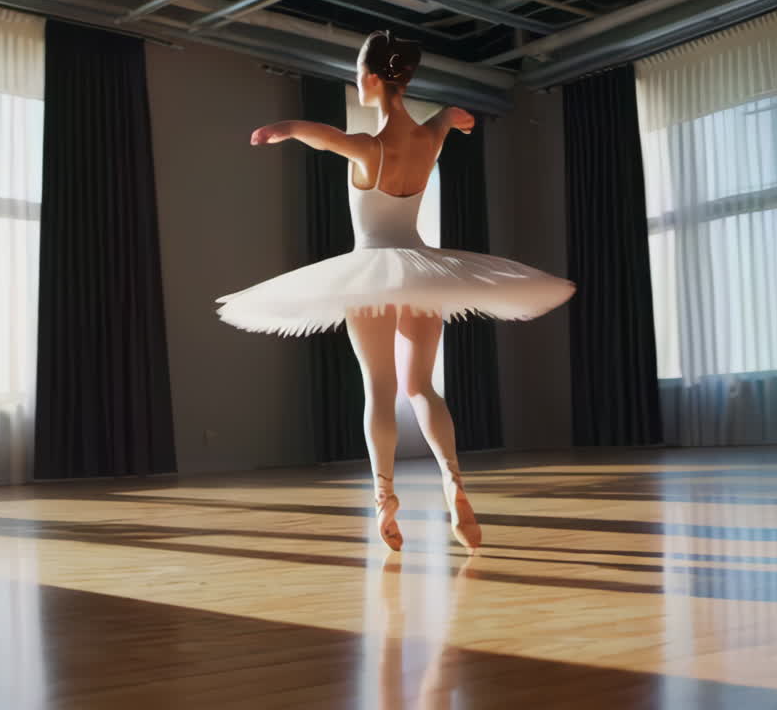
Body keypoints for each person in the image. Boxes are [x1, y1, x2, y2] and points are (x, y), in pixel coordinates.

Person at [217, 30, 576, 551]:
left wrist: (284, 128)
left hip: (373, 274)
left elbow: (323, 136)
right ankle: (454, 480)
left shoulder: (370, 147)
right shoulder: (428, 139)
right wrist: (451, 116)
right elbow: (442, 120)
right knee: (422, 387)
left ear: (368, 79)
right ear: (405, 79)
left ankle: (385, 497)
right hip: (422, 271)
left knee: (380, 389)